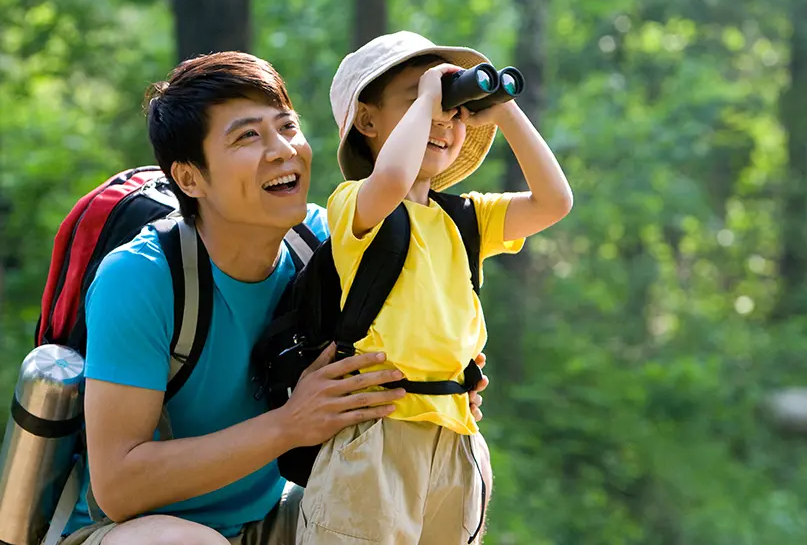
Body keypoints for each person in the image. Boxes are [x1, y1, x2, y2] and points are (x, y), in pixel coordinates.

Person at [56, 51, 489, 545]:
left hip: (273, 517)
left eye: (287, 126)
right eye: (248, 136)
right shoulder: (143, 277)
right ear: (190, 177)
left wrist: (440, 386)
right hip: (137, 531)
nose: (283, 150)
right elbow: (118, 488)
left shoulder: (324, 246)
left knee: (403, 498)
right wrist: (289, 425)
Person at [296, 31, 573, 544]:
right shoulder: (355, 202)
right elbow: (395, 177)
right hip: (374, 433)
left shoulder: (466, 218)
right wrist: (431, 96)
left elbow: (555, 201)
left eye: (455, 111)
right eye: (417, 99)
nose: (444, 120)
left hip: (456, 435)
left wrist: (504, 111)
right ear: (367, 120)